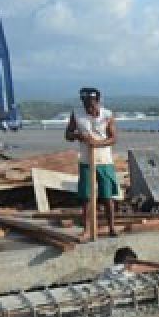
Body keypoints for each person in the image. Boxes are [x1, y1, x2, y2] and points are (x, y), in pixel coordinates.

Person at [65, 87, 121, 237]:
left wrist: (97, 143)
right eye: (86, 104)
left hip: (104, 161)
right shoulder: (77, 114)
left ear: (98, 101)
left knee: (108, 196)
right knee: (86, 197)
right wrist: (78, 136)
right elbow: (68, 135)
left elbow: (113, 138)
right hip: (86, 161)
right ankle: (87, 229)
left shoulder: (107, 115)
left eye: (91, 104)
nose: (89, 108)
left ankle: (111, 227)